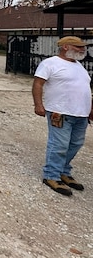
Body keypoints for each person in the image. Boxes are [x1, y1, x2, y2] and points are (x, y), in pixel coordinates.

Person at [32, 36, 93, 196]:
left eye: (83, 47)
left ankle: (63, 171)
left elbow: (85, 89)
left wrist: (90, 108)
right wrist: (38, 104)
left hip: (81, 114)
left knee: (76, 144)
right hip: (60, 112)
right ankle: (51, 175)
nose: (83, 49)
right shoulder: (51, 63)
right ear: (65, 47)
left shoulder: (79, 66)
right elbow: (38, 83)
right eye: (79, 47)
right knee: (59, 145)